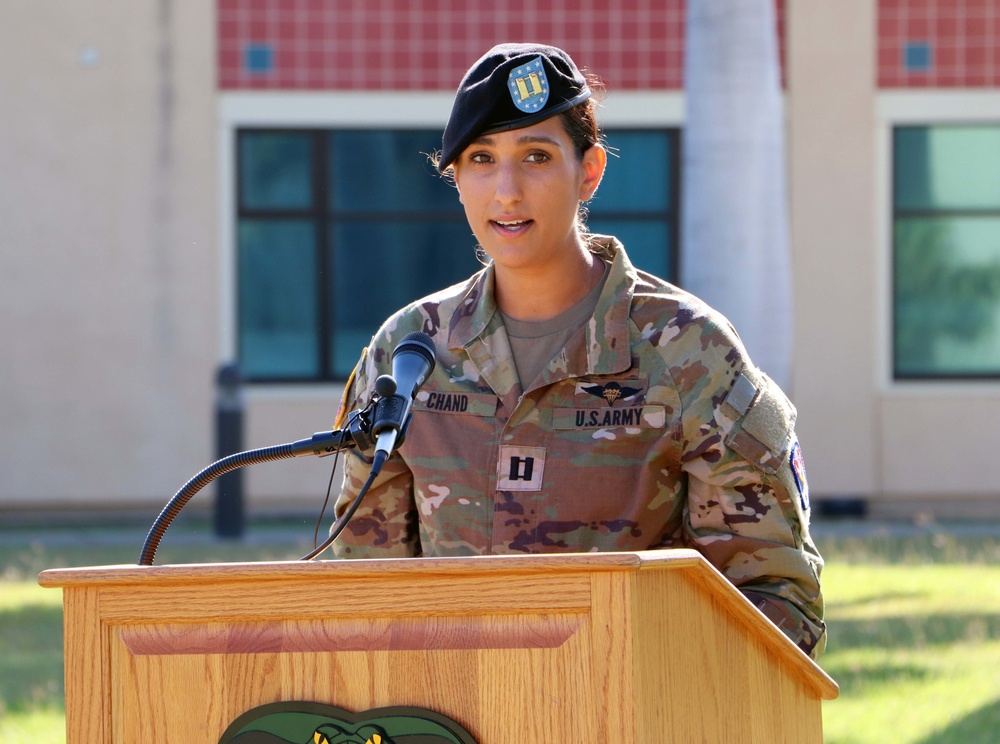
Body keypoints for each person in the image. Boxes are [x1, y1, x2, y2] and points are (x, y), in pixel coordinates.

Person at [330, 43, 826, 658]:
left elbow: (778, 600)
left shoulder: (688, 351)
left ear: (588, 170)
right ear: (455, 177)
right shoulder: (408, 355)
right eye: (481, 159)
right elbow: (356, 590)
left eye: (536, 156)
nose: (506, 192)